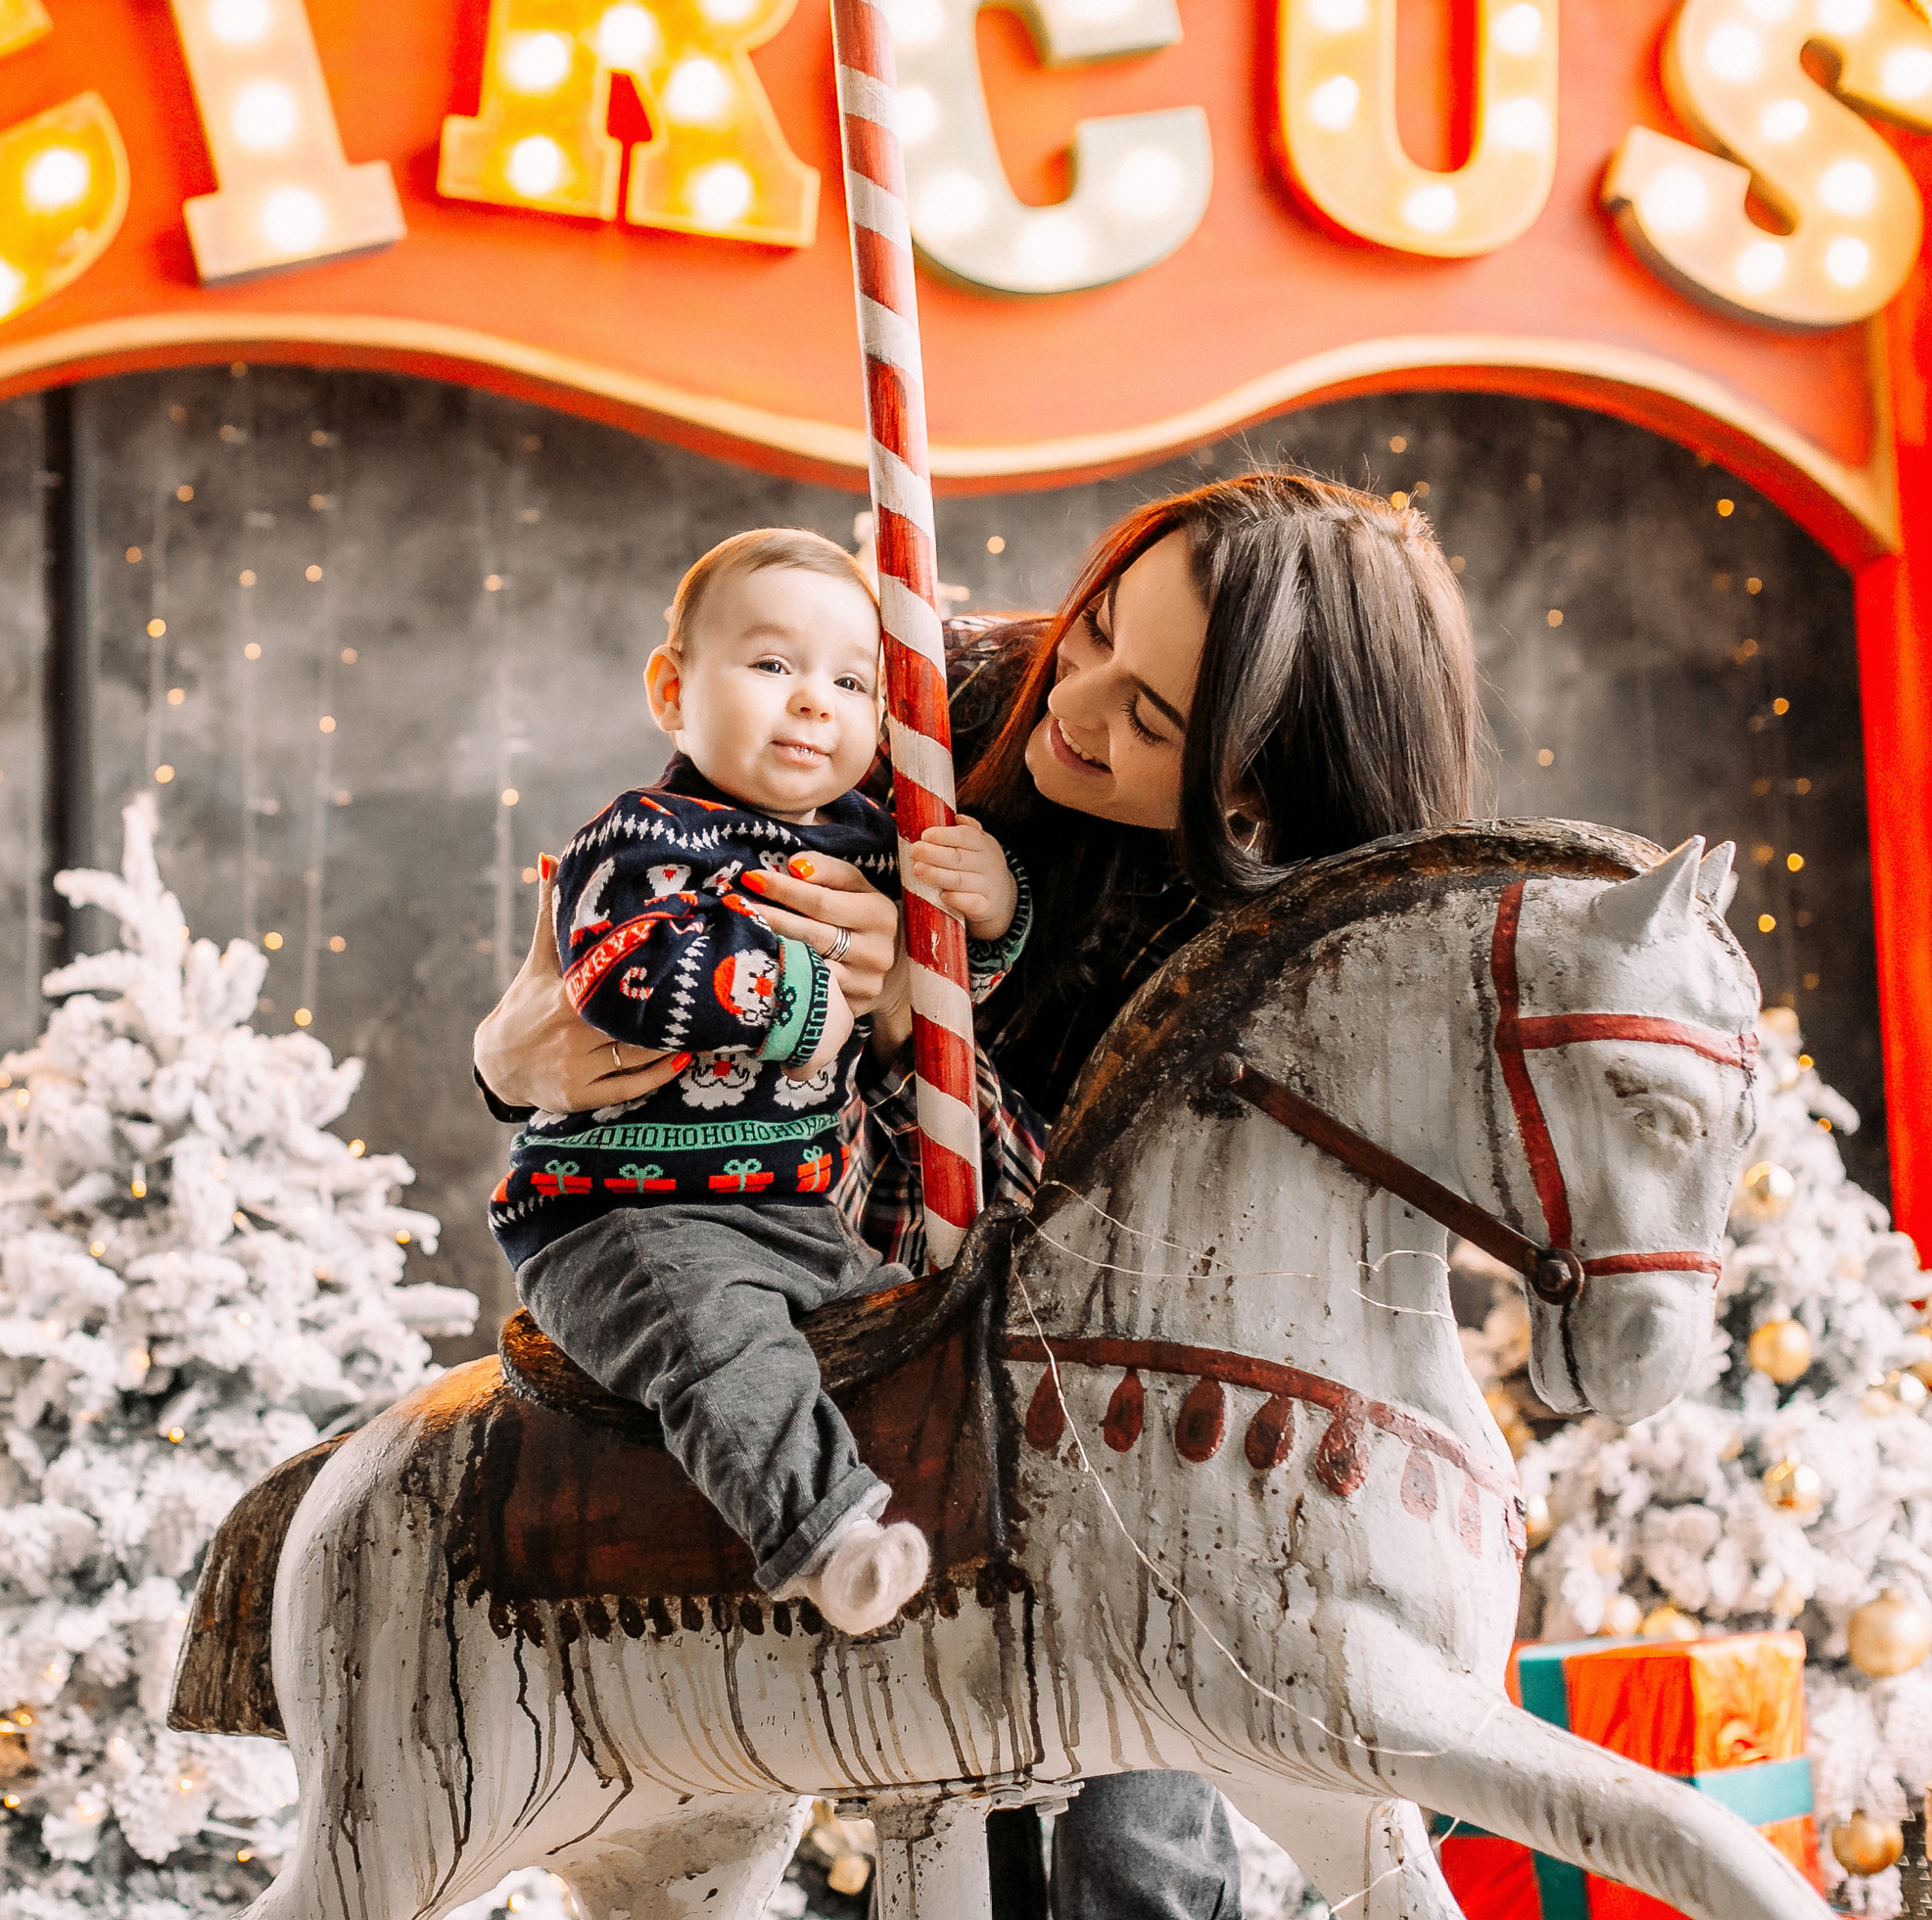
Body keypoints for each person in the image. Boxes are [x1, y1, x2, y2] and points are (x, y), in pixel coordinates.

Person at [475, 471, 1482, 1919]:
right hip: (798, 1219)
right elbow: (636, 893)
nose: (1076, 699)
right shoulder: (921, 695)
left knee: (1139, 1783)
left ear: (1252, 799)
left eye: (1151, 719)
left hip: (1120, 1364)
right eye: (1097, 631)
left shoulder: (1293, 950)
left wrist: (924, 995)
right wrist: (517, 1052)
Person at [493, 527, 1029, 1636]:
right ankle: (823, 1540)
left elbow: (934, 1001)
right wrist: (795, 1004)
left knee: (910, 1332)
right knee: (718, 1344)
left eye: (849, 680)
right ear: (672, 688)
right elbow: (622, 975)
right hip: (626, 1217)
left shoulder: (876, 837)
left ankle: (971, 1548)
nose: (813, 703)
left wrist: (989, 912)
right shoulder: (638, 839)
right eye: (773, 665)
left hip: (792, 1209)